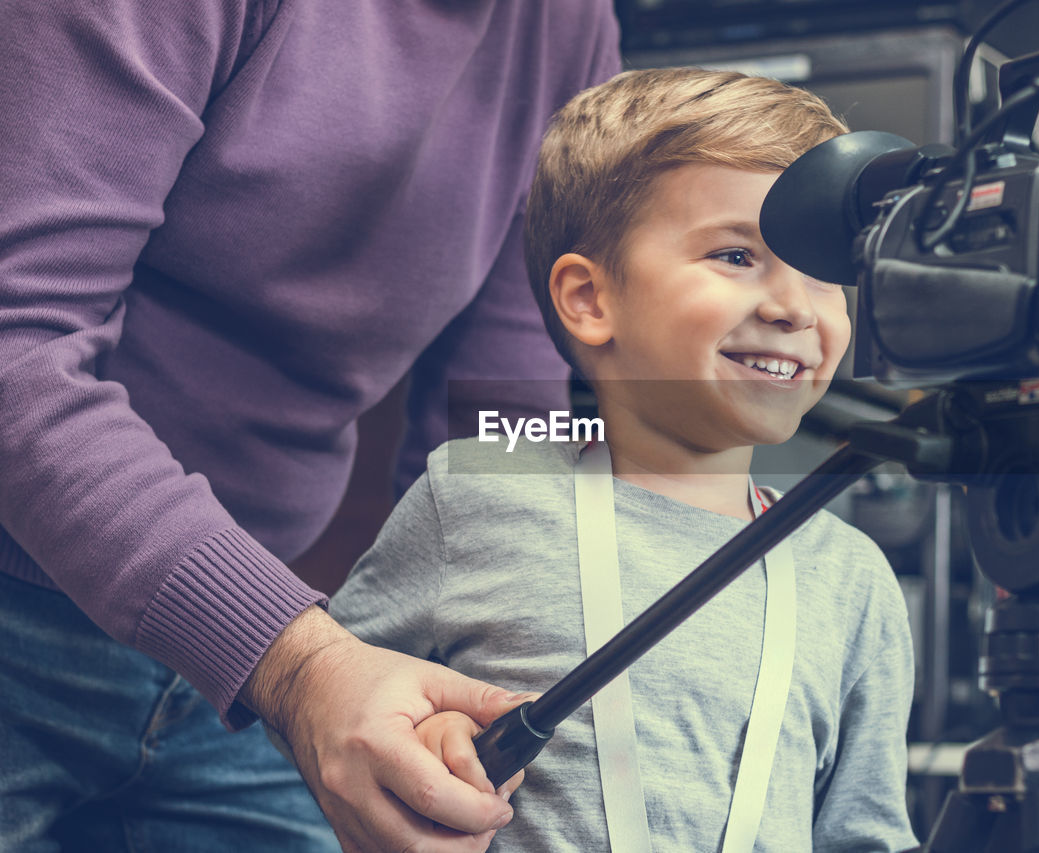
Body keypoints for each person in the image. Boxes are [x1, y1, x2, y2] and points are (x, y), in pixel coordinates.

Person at [0, 1, 620, 850]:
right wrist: (297, 664)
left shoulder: (568, 23)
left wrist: (529, 641)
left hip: (235, 656)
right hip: (94, 616)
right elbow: (15, 353)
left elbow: (500, 409)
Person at [331, 68, 919, 852]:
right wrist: (418, 745)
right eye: (738, 256)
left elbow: (864, 832)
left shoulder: (854, 579)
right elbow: (332, 722)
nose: (792, 306)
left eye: (824, 271)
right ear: (589, 299)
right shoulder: (472, 494)